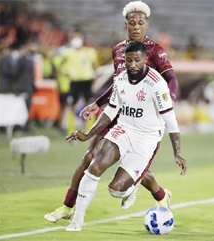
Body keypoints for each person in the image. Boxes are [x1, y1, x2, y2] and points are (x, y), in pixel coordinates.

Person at [44, 0, 179, 223]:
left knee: (130, 165)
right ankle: (67, 206)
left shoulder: (154, 50)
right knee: (89, 156)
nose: (136, 27)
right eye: (132, 23)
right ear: (126, 24)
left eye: (140, 23)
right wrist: (98, 102)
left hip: (141, 119)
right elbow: (119, 83)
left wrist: (169, 103)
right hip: (116, 112)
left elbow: (171, 79)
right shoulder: (118, 49)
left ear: (146, 25)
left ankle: (161, 195)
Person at [64, 40, 187, 231]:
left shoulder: (156, 84)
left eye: (137, 60)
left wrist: (177, 153)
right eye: (128, 60)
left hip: (147, 137)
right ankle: (77, 221)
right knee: (94, 165)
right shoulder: (121, 78)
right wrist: (89, 135)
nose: (132, 65)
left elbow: (170, 121)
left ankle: (133, 183)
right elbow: (111, 112)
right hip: (124, 129)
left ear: (145, 59)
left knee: (116, 191)